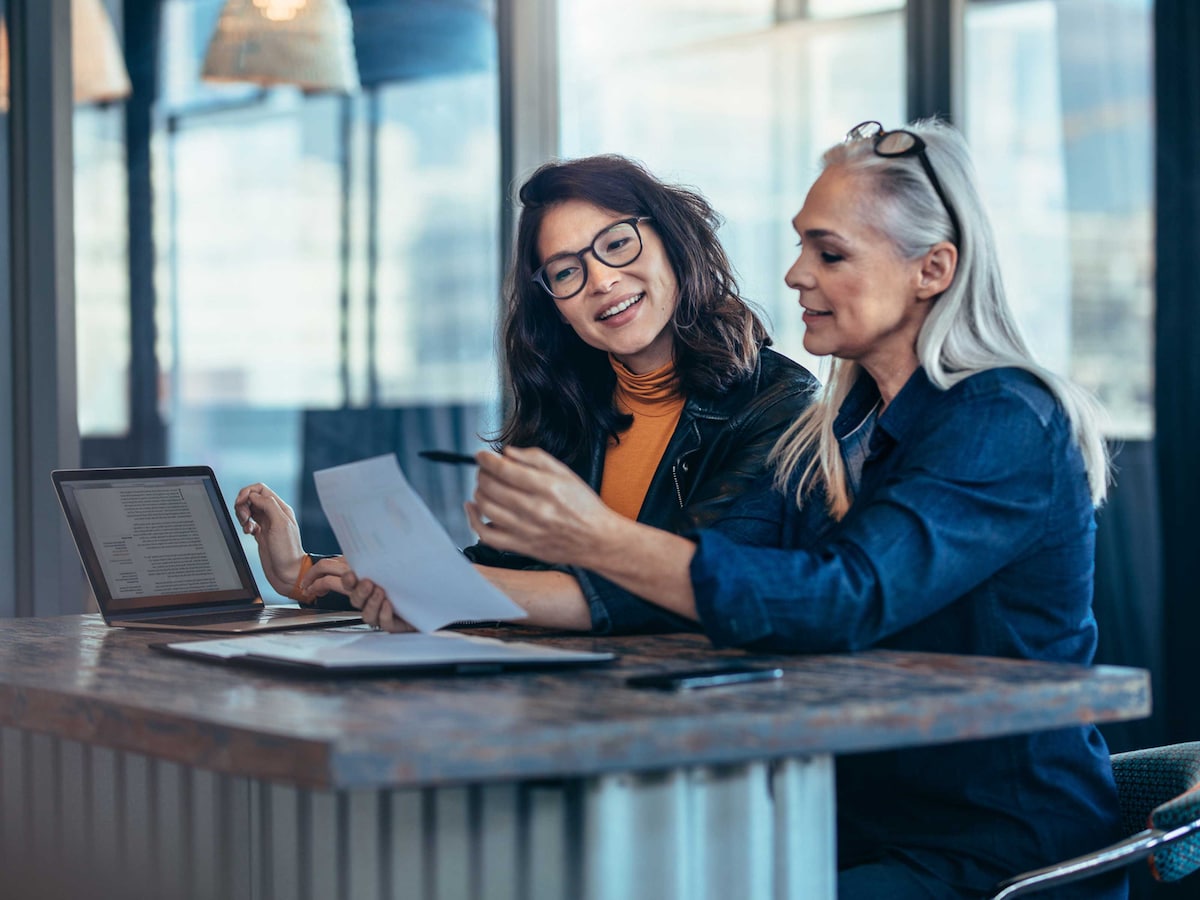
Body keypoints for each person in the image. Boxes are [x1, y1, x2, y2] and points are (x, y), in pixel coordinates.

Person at [377, 121, 1124, 899]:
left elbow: (842, 599)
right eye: (802, 245)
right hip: (846, 822)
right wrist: (425, 588)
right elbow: (707, 573)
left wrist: (592, 535)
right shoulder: (835, 430)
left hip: (988, 852)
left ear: (931, 270)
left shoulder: (1003, 418)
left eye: (829, 253)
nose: (796, 273)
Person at [236, 154, 818, 632]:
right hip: (567, 703)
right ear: (557, 309)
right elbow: (505, 571)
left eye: (617, 244)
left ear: (672, 241)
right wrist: (304, 573)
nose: (601, 280)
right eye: (566, 272)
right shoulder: (572, 408)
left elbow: (690, 588)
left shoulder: (781, 406)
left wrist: (435, 588)